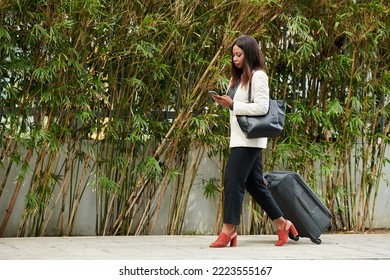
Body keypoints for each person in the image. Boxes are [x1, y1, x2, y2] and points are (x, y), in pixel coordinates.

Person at [210, 35, 298, 247]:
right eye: (233, 55)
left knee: (232, 180)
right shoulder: (237, 78)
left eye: (239, 55)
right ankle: (282, 223)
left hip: (250, 139)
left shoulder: (258, 76)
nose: (234, 59)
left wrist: (233, 105)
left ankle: (228, 229)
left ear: (249, 53)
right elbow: (236, 106)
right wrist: (226, 102)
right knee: (255, 184)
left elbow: (262, 107)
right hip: (239, 138)